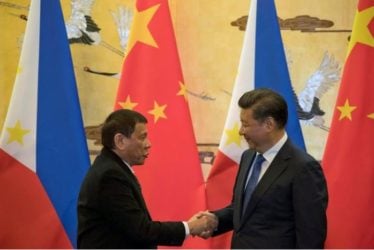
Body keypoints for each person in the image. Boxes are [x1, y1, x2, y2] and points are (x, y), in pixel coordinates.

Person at [200, 88, 328, 248]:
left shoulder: (303, 168)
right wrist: (215, 219)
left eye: (245, 124)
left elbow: (311, 236)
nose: (241, 131)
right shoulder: (248, 157)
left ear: (269, 124)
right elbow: (244, 209)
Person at [77, 109, 216, 249]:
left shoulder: (112, 168)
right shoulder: (110, 176)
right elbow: (141, 231)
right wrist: (190, 227)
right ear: (120, 141)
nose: (148, 144)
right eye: (142, 137)